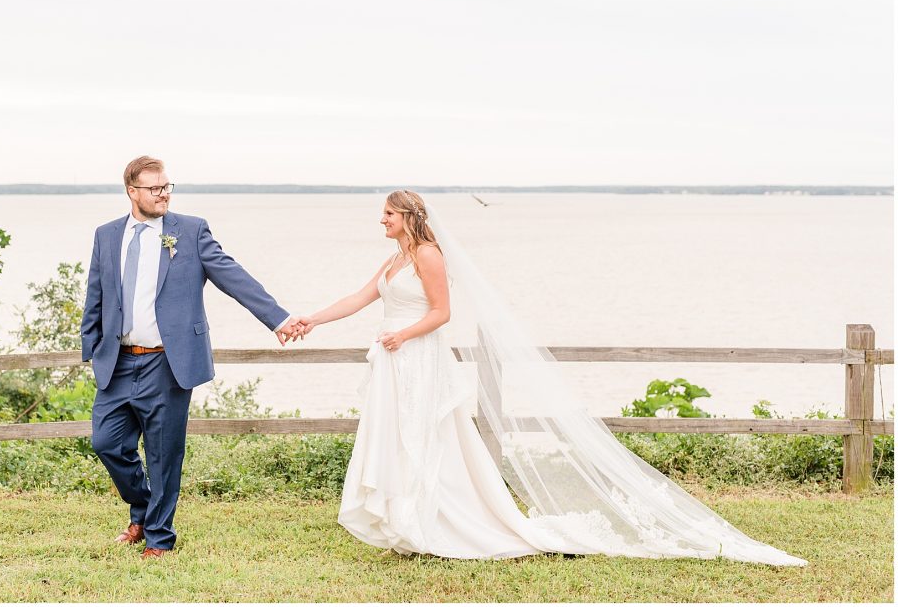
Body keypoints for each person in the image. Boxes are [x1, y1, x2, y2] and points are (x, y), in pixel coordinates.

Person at [297, 189, 806, 565]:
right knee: (396, 436)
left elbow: (442, 313)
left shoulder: (428, 255)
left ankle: (438, 517)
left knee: (428, 436)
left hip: (415, 355)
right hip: (393, 360)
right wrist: (309, 320)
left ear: (407, 215)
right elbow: (359, 299)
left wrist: (403, 335)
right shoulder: (394, 258)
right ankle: (404, 517)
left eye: (386, 213)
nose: (380, 220)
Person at [81, 156, 303, 558]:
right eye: (155, 188)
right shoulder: (107, 235)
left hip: (167, 363)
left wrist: (278, 318)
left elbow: (232, 275)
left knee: (164, 456)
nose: (164, 194)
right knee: (106, 442)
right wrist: (90, 348)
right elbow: (96, 294)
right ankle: (144, 510)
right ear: (132, 191)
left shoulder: (191, 231)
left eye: (167, 187)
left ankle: (159, 538)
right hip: (116, 362)